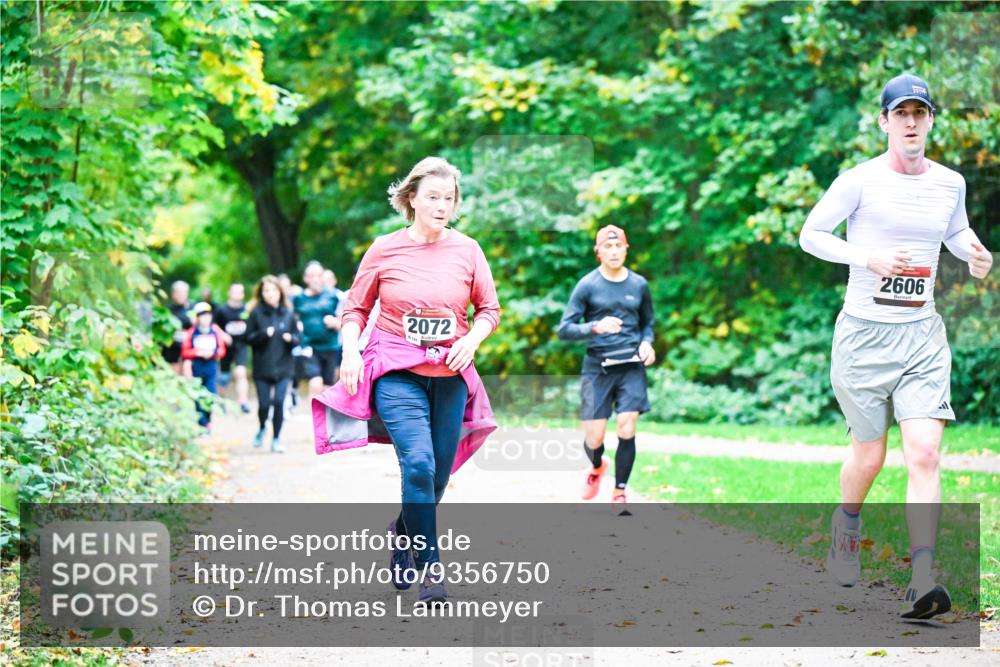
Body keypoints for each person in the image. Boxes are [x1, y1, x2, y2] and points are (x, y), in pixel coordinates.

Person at [799, 73, 993, 620]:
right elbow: (811, 234)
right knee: (870, 453)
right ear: (884, 121)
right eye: (900, 114)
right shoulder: (858, 180)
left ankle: (924, 579)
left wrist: (974, 252)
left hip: (921, 335)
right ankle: (846, 524)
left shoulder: (950, 183)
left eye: (920, 113)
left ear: (931, 120)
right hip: (863, 336)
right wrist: (865, 258)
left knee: (925, 453)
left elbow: (954, 232)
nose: (911, 122)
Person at [311, 156, 500, 605]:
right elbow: (354, 310)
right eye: (433, 197)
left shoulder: (468, 250)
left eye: (449, 199)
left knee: (436, 476)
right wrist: (351, 350)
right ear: (411, 199)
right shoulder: (385, 248)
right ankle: (431, 571)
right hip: (396, 371)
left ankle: (402, 531)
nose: (441, 206)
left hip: (451, 374)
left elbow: (488, 310)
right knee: (417, 465)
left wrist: (472, 340)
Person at [556, 225, 655, 515]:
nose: (613, 252)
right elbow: (565, 329)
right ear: (598, 252)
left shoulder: (639, 285)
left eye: (618, 247)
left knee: (627, 426)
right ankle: (598, 466)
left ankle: (620, 490)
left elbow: (648, 323)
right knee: (593, 438)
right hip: (597, 368)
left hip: (631, 367)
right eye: (607, 247)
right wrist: (594, 327)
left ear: (626, 249)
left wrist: (647, 343)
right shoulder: (587, 285)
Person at [244, 276, 300, 453]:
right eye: (266, 290)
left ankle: (276, 439)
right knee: (264, 404)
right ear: (261, 293)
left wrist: (291, 339)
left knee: (279, 402)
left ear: (280, 292)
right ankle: (262, 427)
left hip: (284, 368)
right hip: (262, 368)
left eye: (273, 290)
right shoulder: (256, 313)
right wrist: (262, 334)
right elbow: (247, 338)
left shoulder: (288, 314)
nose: (270, 294)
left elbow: (298, 339)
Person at [293, 262, 342, 396]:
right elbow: (291, 319)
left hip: (330, 347)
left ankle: (323, 416)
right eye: (311, 275)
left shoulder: (333, 296)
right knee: (315, 384)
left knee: (327, 388)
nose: (315, 279)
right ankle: (314, 417)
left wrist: (336, 322)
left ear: (323, 277)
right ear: (305, 278)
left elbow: (346, 320)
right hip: (309, 347)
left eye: (318, 275)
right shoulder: (298, 299)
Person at [180, 301, 227, 432]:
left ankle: (208, 422)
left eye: (207, 315)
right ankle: (202, 424)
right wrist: (197, 353)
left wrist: (212, 353)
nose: (205, 318)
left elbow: (222, 350)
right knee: (198, 397)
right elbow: (185, 351)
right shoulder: (191, 332)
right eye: (202, 315)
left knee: (210, 395)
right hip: (197, 366)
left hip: (211, 367)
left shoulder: (215, 331)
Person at [214, 283, 251, 413]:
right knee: (224, 377)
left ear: (243, 294)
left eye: (240, 292)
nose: (237, 294)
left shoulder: (247, 310)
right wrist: (223, 335)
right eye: (234, 291)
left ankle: (243, 402)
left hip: (241, 346)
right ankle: (221, 400)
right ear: (229, 293)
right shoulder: (222, 310)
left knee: (241, 372)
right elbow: (214, 325)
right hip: (226, 348)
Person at [162, 280, 192, 376]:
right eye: (178, 292)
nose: (180, 295)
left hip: (189, 350)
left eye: (183, 292)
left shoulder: (194, 309)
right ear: (173, 294)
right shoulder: (166, 311)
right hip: (172, 350)